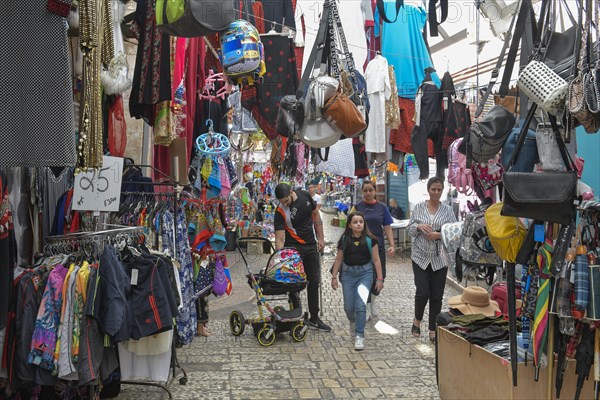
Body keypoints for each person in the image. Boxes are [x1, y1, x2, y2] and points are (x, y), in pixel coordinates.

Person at [274, 183, 331, 332]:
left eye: (286, 201)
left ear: (292, 193)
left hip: (311, 246)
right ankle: (295, 316)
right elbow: (279, 239)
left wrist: (321, 238)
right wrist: (280, 258)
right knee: (294, 284)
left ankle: (314, 317)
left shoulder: (305, 195)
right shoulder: (280, 211)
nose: (285, 204)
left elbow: (315, 216)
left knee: (314, 281)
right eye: (282, 202)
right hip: (293, 250)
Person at [407, 177, 457, 342]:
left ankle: (432, 328)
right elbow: (409, 229)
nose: (436, 192)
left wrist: (439, 234)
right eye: (433, 189)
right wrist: (418, 227)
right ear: (428, 190)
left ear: (442, 191)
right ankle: (417, 320)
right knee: (423, 292)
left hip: (439, 258)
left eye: (439, 190)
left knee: (436, 295)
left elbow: (454, 232)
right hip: (420, 256)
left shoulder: (448, 211)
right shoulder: (419, 208)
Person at [330, 212, 384, 350]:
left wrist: (379, 278)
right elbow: (338, 259)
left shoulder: (371, 239)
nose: (359, 224)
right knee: (349, 307)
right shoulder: (344, 240)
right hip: (348, 275)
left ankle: (359, 335)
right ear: (349, 225)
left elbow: (376, 260)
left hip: (365, 274)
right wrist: (334, 277)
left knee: (360, 305)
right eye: (355, 222)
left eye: (361, 221)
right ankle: (353, 322)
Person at [353, 180, 395, 319]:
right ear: (362, 192)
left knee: (381, 275)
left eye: (371, 190)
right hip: (362, 248)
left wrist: (392, 245)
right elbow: (350, 226)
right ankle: (366, 305)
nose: (368, 193)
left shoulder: (382, 208)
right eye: (365, 190)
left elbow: (387, 227)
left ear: (375, 191)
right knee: (365, 277)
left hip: (379, 247)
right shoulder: (357, 207)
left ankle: (373, 301)